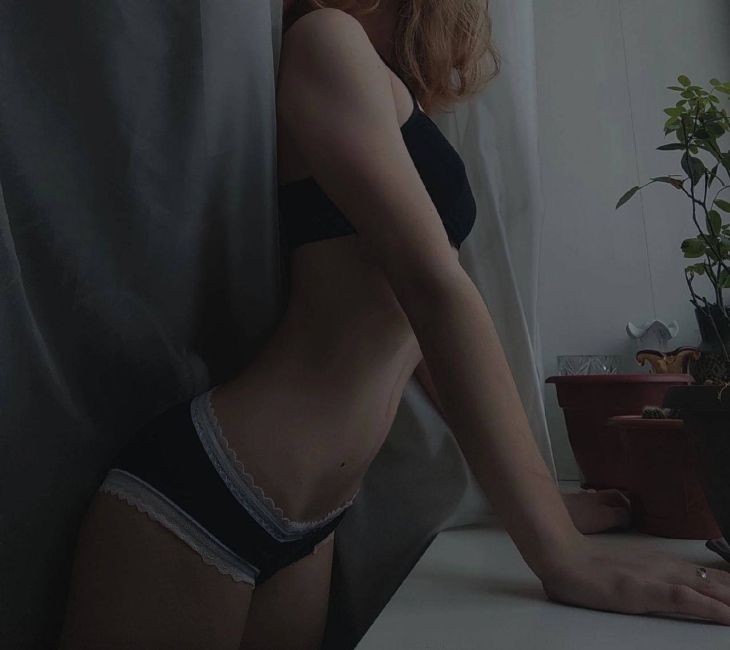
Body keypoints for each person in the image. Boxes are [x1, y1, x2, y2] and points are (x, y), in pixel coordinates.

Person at [60, 1, 730, 648]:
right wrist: (560, 553)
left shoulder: (379, 81)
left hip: (311, 519)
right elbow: (435, 291)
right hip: (213, 491)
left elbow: (417, 333)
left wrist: (540, 504)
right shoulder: (326, 39)